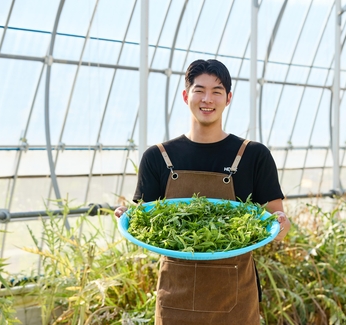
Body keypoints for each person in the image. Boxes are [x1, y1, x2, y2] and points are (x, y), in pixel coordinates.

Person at [115, 59, 291, 325]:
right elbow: (142, 221)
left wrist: (281, 225)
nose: (207, 99)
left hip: (236, 300)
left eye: (217, 91)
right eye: (199, 90)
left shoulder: (254, 156)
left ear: (228, 98)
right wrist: (128, 216)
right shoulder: (157, 157)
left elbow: (275, 224)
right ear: (186, 95)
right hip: (176, 297)